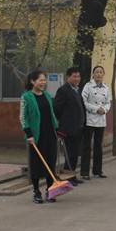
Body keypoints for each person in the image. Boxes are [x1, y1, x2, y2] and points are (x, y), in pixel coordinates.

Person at [21, 70, 59, 204]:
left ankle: (50, 190)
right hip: (36, 136)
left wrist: (57, 129)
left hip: (50, 135)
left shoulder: (47, 96)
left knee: (50, 162)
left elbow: (52, 115)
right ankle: (36, 191)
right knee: (36, 164)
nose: (43, 82)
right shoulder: (26, 97)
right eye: (40, 80)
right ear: (33, 81)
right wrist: (29, 134)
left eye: (44, 80)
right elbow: (23, 118)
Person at [54, 67, 85, 186]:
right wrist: (63, 123)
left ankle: (72, 176)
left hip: (78, 128)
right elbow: (57, 109)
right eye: (74, 76)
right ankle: (67, 178)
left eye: (78, 76)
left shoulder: (77, 90)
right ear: (68, 77)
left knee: (74, 154)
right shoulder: (63, 90)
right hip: (68, 128)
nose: (77, 79)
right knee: (69, 154)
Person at [81, 65, 111, 180]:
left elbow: (108, 102)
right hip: (89, 120)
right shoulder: (88, 86)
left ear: (103, 74)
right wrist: (95, 109)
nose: (99, 74)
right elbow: (83, 101)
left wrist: (104, 109)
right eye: (96, 72)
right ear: (93, 74)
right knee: (87, 146)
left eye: (101, 72)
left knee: (98, 146)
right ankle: (84, 172)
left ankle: (97, 171)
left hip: (101, 120)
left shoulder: (106, 88)